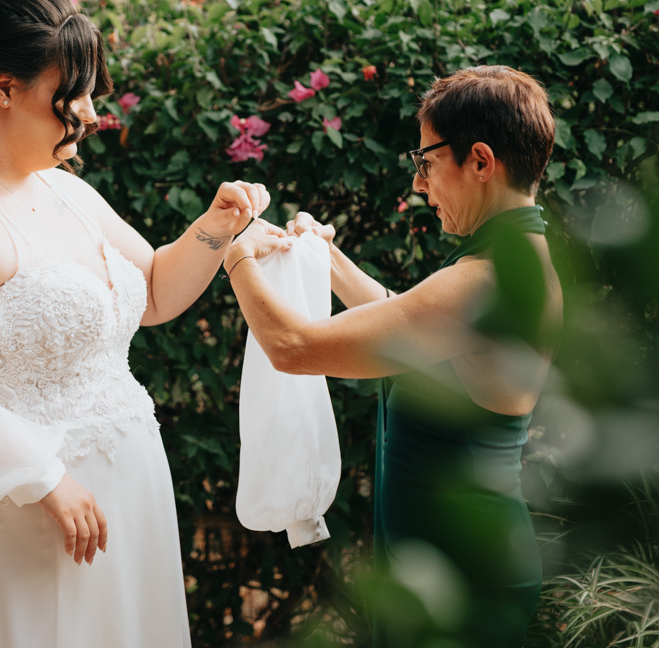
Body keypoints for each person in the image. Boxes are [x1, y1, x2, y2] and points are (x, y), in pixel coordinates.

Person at [0, 0, 270, 648]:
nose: (92, 113)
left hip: (120, 504)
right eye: (73, 93)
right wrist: (38, 476)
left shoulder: (67, 193)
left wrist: (217, 229)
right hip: (14, 521)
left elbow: (152, 292)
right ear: (6, 89)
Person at [223, 66, 562, 647]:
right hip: (453, 564)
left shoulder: (483, 281)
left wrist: (237, 259)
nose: (419, 185)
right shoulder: (508, 264)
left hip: (460, 576)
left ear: (480, 161)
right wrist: (325, 258)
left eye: (426, 162)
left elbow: (293, 348)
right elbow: (406, 318)